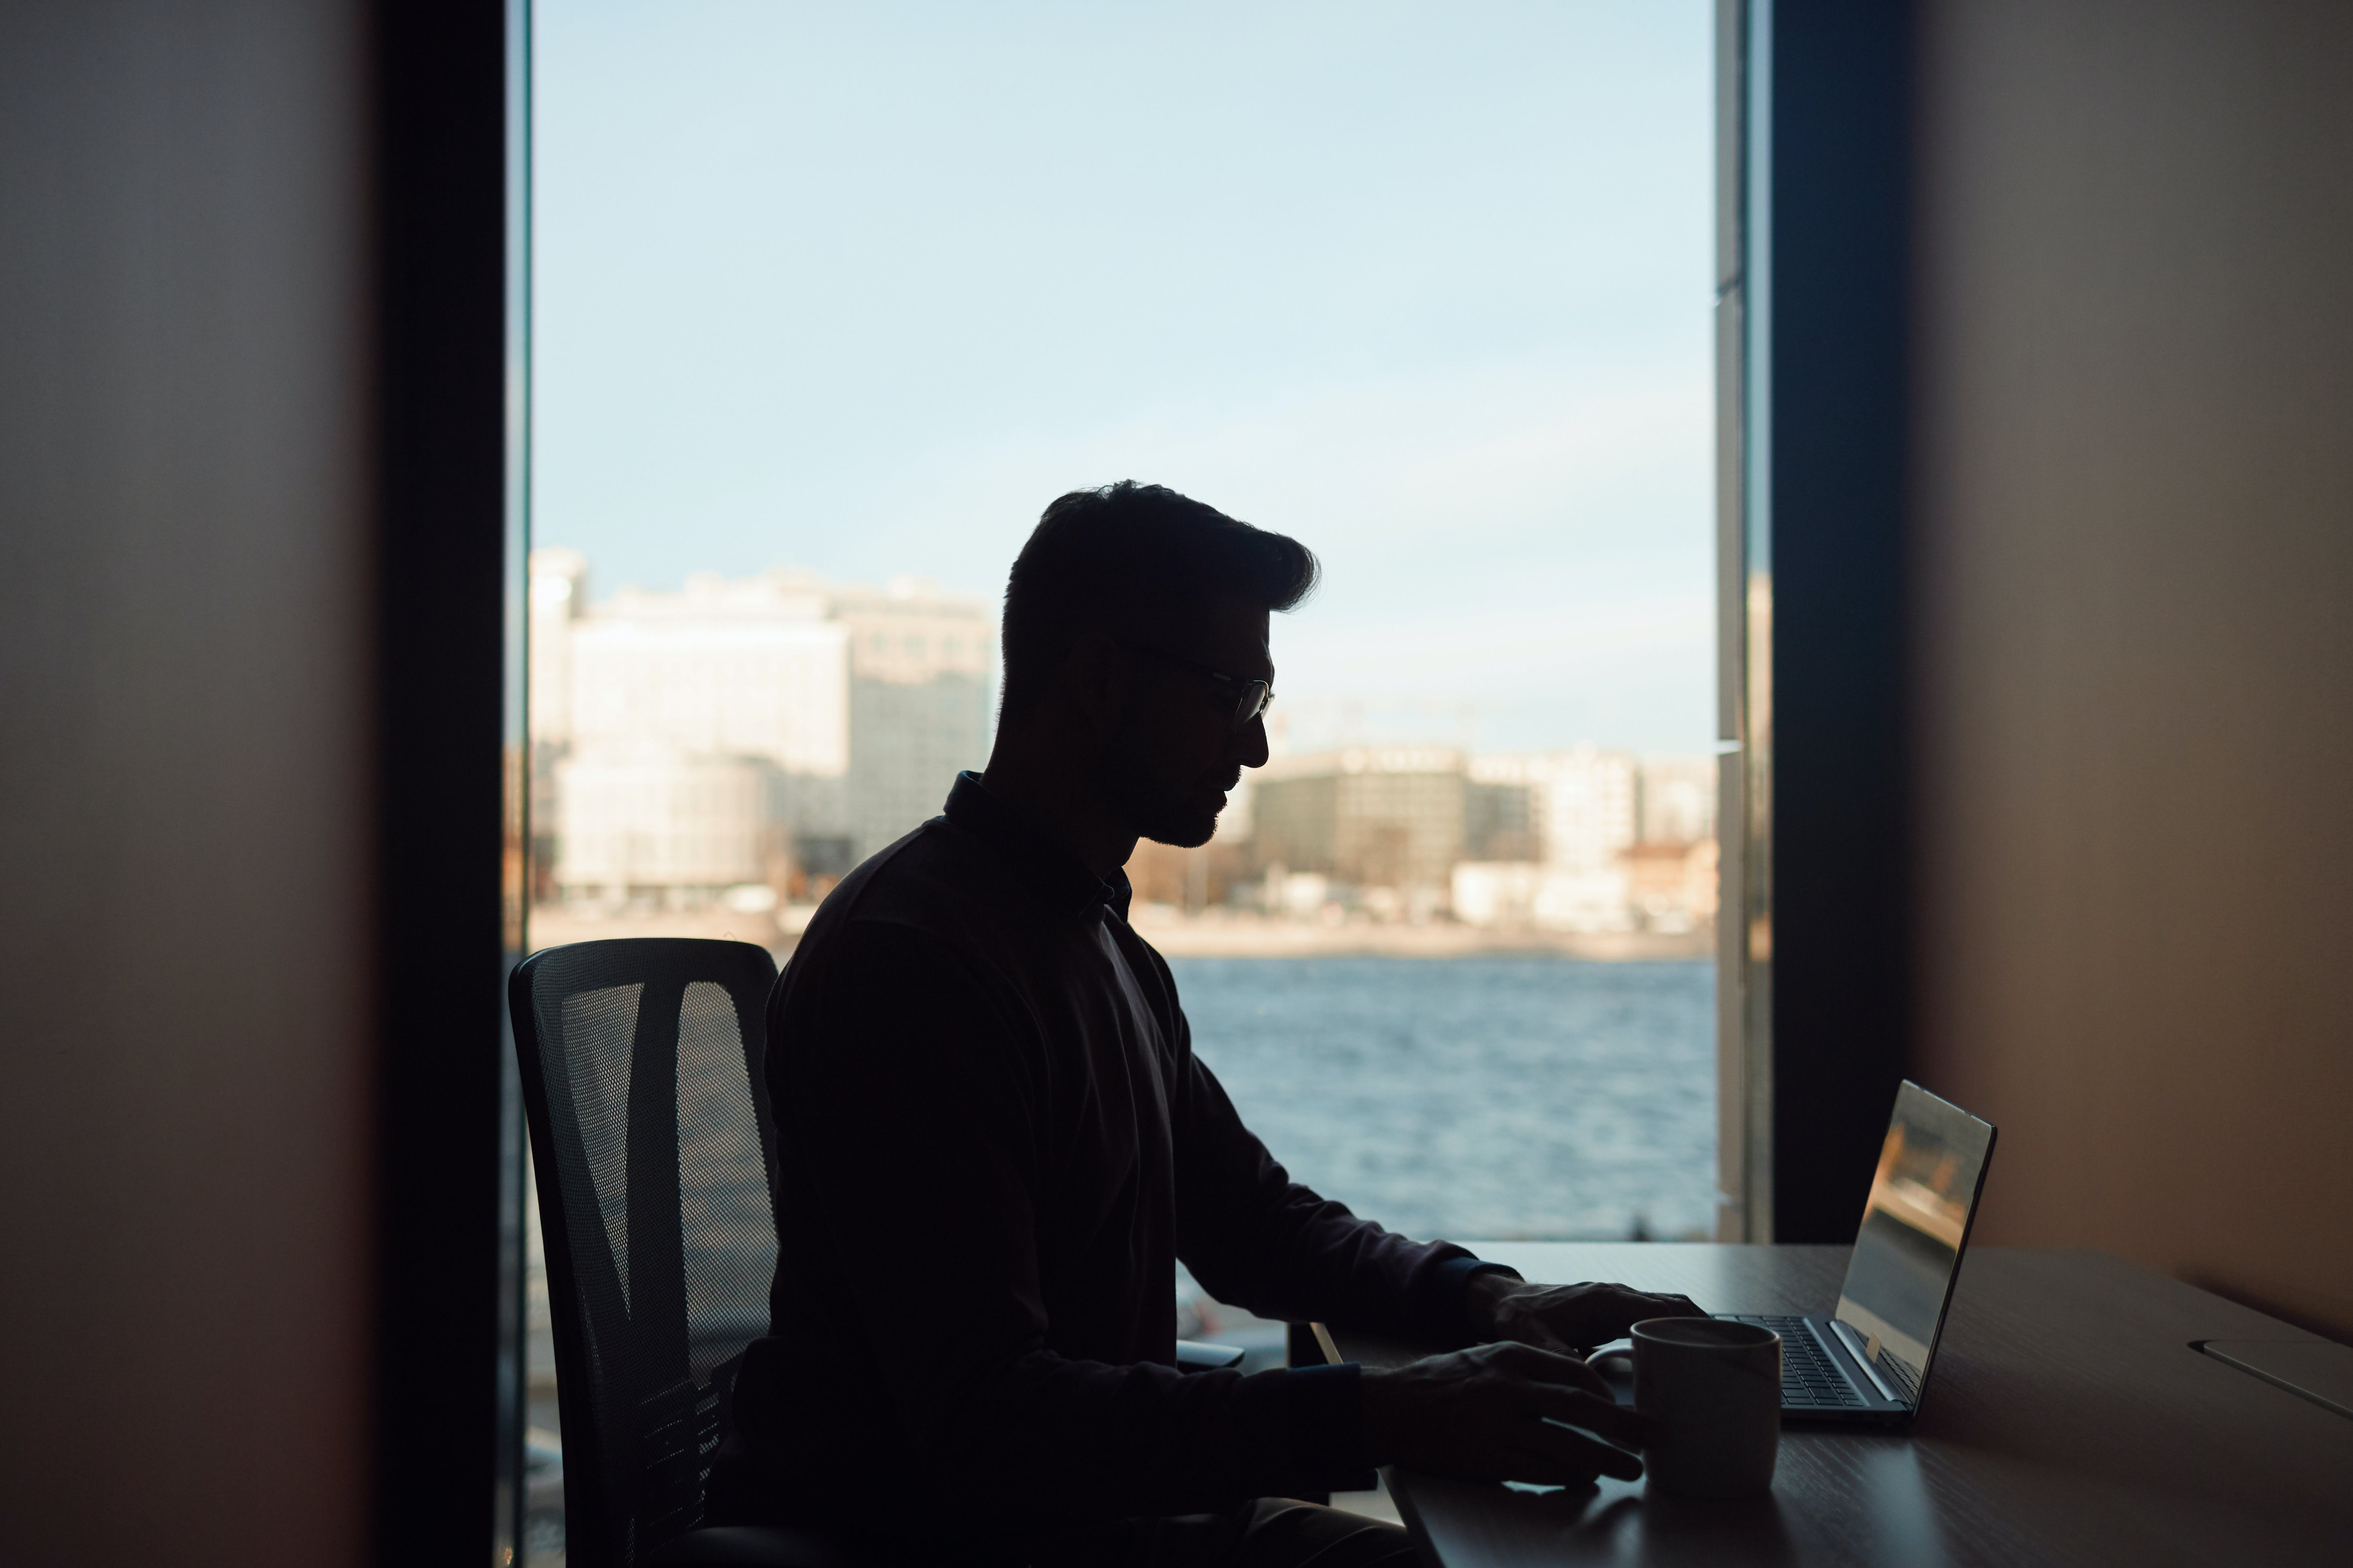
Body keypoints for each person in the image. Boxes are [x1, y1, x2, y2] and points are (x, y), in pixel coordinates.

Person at [709, 482, 1703, 1565]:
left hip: (1099, 1516)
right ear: (1098, 679)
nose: (1258, 749)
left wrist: (1487, 1300)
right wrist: (1385, 1414)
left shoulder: (1091, 935)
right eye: (1234, 694)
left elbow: (1249, 1224)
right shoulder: (918, 965)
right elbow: (985, 1423)